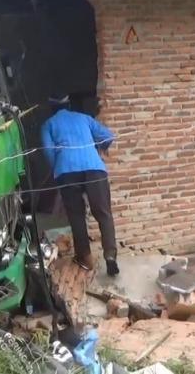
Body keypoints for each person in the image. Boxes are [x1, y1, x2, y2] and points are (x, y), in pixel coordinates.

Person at [41, 93, 119, 275]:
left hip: (66, 171)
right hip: (94, 168)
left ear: (52, 109)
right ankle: (110, 256)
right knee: (103, 212)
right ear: (68, 106)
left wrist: (57, 169)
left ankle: (85, 258)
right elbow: (107, 136)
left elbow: (48, 151)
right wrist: (100, 149)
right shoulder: (85, 118)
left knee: (76, 215)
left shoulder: (49, 124)